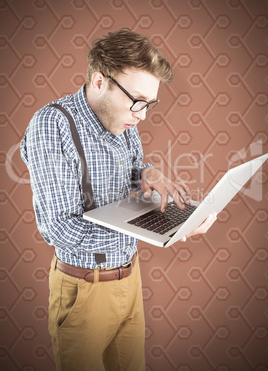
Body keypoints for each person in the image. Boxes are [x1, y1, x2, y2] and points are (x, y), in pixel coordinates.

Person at [20, 29, 217, 371]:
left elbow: (132, 169)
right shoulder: (52, 124)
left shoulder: (122, 118)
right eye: (137, 101)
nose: (142, 115)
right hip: (84, 288)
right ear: (100, 81)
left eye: (149, 104)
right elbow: (58, 228)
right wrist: (157, 230)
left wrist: (148, 172)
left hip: (130, 279)